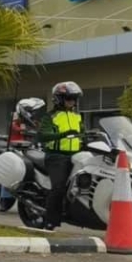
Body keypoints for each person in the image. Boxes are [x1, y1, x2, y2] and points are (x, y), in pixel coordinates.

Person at [36, 82, 84, 231]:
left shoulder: (77, 116)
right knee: (59, 187)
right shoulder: (50, 116)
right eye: (69, 98)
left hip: (76, 156)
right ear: (59, 99)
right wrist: (63, 135)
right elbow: (42, 136)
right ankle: (50, 222)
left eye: (74, 98)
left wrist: (89, 136)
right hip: (56, 157)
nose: (72, 101)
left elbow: (82, 132)